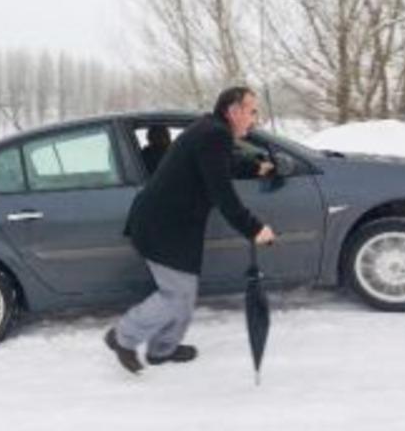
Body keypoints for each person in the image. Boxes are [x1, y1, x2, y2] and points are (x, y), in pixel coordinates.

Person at [105, 86, 276, 374]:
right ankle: (123, 336)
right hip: (162, 227)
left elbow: (219, 166)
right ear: (233, 111)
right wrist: (254, 229)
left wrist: (255, 168)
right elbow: (223, 194)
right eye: (252, 111)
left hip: (173, 226)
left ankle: (162, 349)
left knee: (184, 292)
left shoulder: (210, 131)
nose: (255, 118)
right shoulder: (214, 134)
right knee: (176, 294)